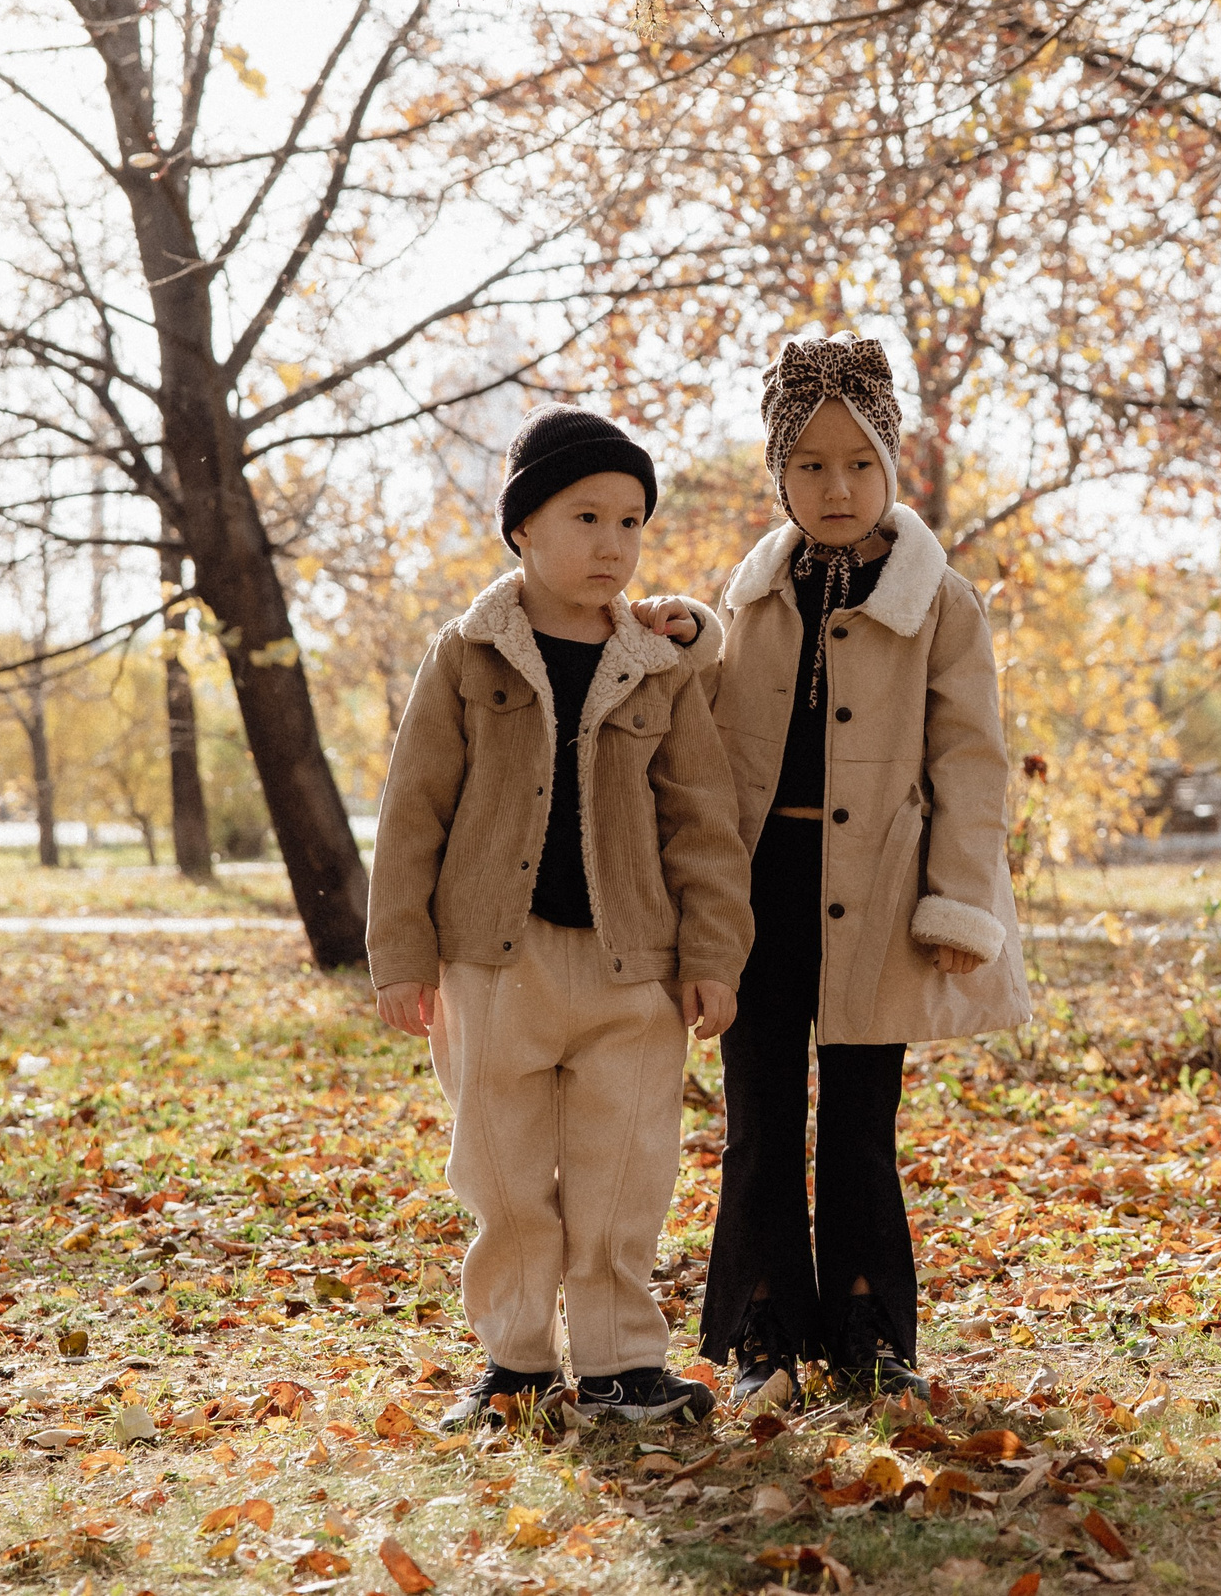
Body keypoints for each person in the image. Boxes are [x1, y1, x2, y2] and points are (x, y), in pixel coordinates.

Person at [640, 331, 1031, 1407]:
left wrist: (956, 897)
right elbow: (719, 715)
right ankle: (764, 1327)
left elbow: (971, 760)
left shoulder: (939, 602)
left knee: (860, 1120)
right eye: (808, 465)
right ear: (779, 474)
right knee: (759, 1116)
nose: (835, 486)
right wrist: (687, 637)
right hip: (763, 890)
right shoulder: (756, 590)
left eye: (857, 462)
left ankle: (868, 1327)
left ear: (890, 465)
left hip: (881, 891)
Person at [368, 403, 754, 1431]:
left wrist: (714, 953)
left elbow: (702, 826)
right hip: (495, 964)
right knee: (502, 1174)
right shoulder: (466, 655)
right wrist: (401, 953)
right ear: (524, 529)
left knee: (624, 1175)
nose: (613, 545)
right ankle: (517, 1363)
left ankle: (625, 1363)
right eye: (587, 519)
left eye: (631, 522)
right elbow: (414, 812)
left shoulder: (657, 663)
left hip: (634, 969)